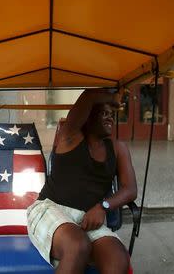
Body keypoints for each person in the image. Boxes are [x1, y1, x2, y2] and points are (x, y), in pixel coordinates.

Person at [27, 89, 137, 274]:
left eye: (112, 114)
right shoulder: (70, 136)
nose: (110, 118)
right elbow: (89, 95)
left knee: (118, 258)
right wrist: (113, 98)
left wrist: (103, 206)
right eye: (103, 113)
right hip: (50, 209)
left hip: (88, 218)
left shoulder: (118, 149)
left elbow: (130, 189)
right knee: (78, 246)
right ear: (87, 117)